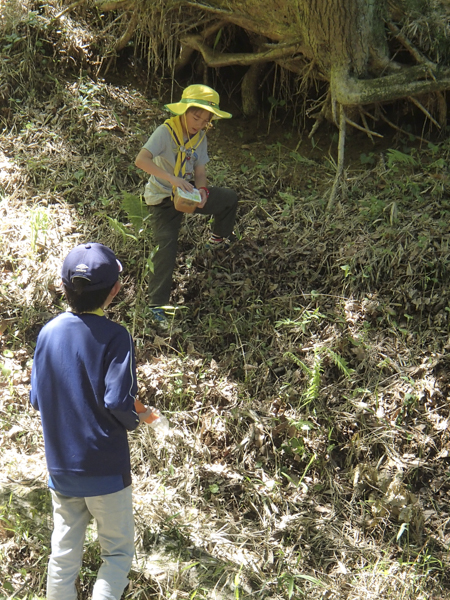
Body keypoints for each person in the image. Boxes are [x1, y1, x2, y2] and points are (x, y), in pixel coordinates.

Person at [30, 242, 155, 600]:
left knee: (64, 553)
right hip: (107, 469)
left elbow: (39, 399)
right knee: (116, 553)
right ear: (115, 291)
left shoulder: (48, 333)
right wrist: (139, 418)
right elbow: (117, 399)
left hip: (62, 469)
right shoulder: (116, 337)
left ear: (62, 286)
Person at [135, 84, 238, 328]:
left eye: (205, 119)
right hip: (162, 198)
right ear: (184, 111)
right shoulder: (165, 132)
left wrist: (201, 191)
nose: (199, 122)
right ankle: (156, 306)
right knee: (166, 247)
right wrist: (172, 179)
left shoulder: (200, 136)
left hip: (188, 193)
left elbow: (200, 170)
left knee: (228, 198)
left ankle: (218, 240)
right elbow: (141, 160)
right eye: (196, 115)